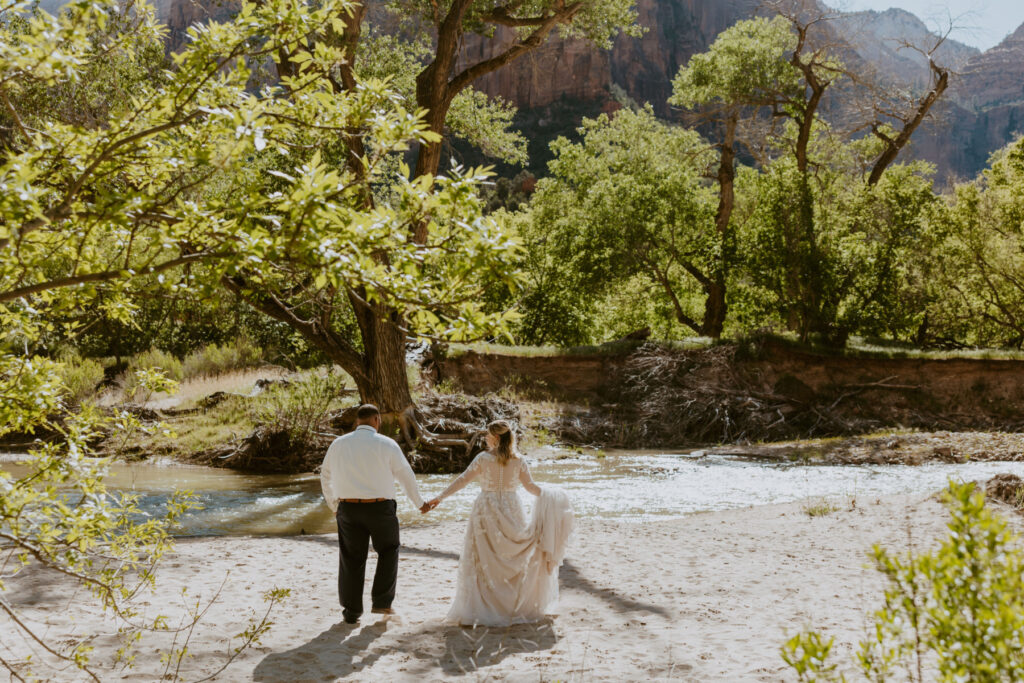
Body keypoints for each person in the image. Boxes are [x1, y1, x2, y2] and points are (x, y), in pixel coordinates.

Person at [425, 420, 574, 626]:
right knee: (515, 556)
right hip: (512, 508)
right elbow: (531, 488)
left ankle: (484, 606)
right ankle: (511, 605)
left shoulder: (483, 459)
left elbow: (462, 480)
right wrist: (554, 496)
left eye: (488, 434)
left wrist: (439, 498)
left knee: (483, 559)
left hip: (486, 509)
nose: (486, 438)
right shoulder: (518, 460)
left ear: (495, 437)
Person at [320, 404, 431, 624]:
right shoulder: (387, 444)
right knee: (389, 550)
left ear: (357, 421)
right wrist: (420, 503)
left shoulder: (338, 444)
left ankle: (351, 612)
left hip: (348, 508)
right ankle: (381, 602)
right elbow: (405, 476)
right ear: (377, 420)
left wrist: (334, 505)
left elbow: (325, 476)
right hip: (380, 508)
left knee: (351, 559)